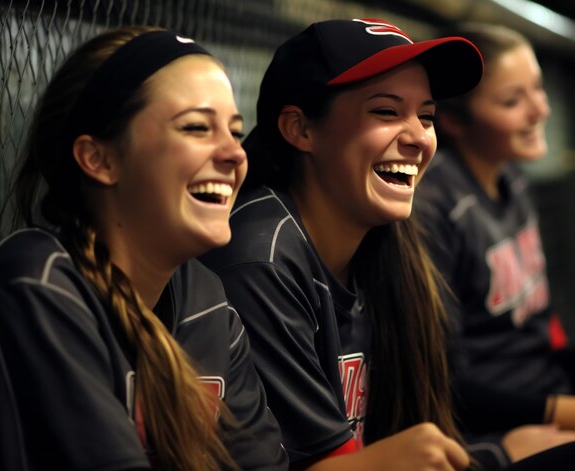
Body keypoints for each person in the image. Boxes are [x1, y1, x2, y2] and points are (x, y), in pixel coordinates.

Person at [0, 26, 287, 470]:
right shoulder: (34, 288)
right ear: (99, 159)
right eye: (196, 127)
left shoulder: (207, 303)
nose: (235, 154)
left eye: (235, 131)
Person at [200, 18, 483, 470]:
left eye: (426, 116)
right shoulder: (262, 259)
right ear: (301, 129)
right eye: (386, 112)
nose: (417, 138)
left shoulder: (385, 245)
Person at [414, 23, 575, 466]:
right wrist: (561, 412)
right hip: (497, 425)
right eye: (512, 101)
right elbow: (445, 381)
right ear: (453, 120)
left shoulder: (514, 181)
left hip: (547, 394)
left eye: (538, 89)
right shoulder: (434, 206)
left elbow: (542, 329)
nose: (540, 109)